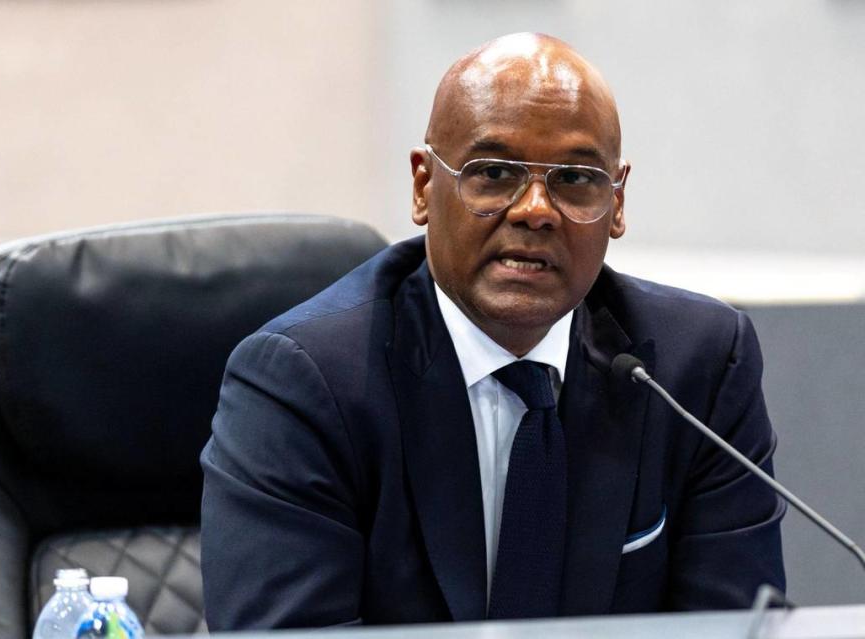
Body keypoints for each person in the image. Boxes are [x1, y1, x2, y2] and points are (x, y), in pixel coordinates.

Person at [200, 33, 785, 630]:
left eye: (576, 179)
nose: (535, 209)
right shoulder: (306, 384)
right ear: (424, 186)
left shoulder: (700, 367)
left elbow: (737, 624)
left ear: (617, 201)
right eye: (496, 173)